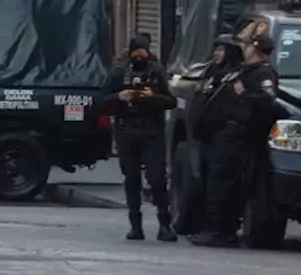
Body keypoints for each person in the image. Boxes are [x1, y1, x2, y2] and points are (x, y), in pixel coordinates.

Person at [189, 32, 280, 248]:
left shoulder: (263, 74)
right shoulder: (242, 71)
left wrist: (242, 94)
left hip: (239, 137)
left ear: (255, 49)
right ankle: (216, 229)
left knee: (222, 185)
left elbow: (268, 101)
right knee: (217, 182)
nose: (244, 49)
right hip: (224, 135)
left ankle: (220, 231)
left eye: (248, 46)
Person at [103, 34, 177, 242]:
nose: (139, 59)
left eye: (142, 55)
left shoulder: (156, 71)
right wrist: (119, 97)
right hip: (126, 131)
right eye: (136, 55)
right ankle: (135, 226)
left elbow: (171, 101)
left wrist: (153, 98)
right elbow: (101, 100)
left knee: (157, 179)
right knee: (132, 179)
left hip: (152, 131)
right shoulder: (119, 71)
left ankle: (165, 224)